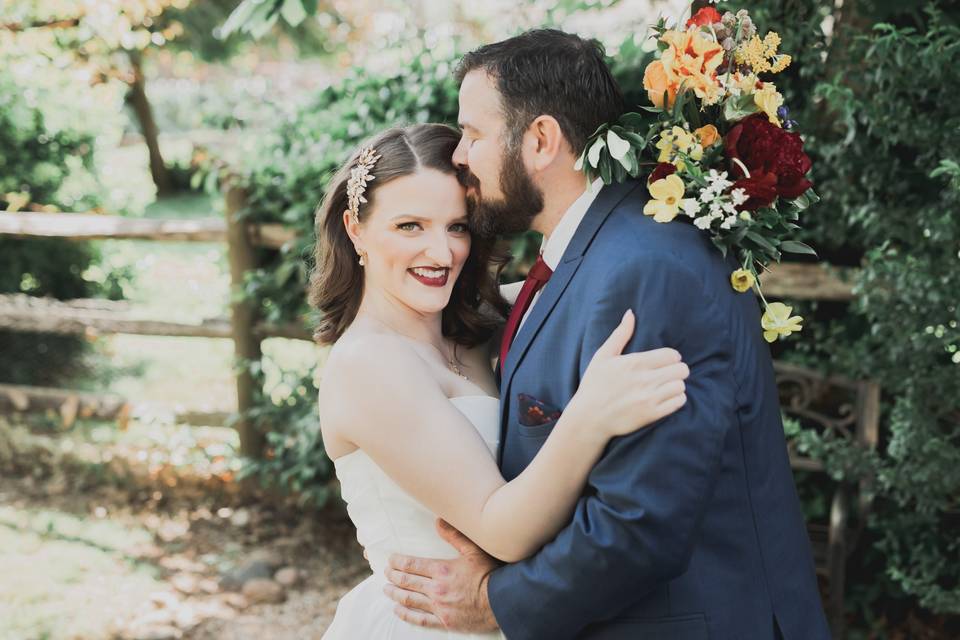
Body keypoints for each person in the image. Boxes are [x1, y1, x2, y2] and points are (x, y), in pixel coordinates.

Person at [382, 29, 831, 640]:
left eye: (475, 133)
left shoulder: (646, 270)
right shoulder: (586, 256)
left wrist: (499, 602)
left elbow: (639, 521)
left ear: (540, 140)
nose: (460, 155)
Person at [311, 123, 691, 639]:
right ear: (356, 229)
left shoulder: (474, 330)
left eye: (458, 227)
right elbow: (500, 529)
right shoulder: (368, 365)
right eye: (409, 226)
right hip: (434, 624)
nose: (441, 254)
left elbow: (577, 283)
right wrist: (590, 415)